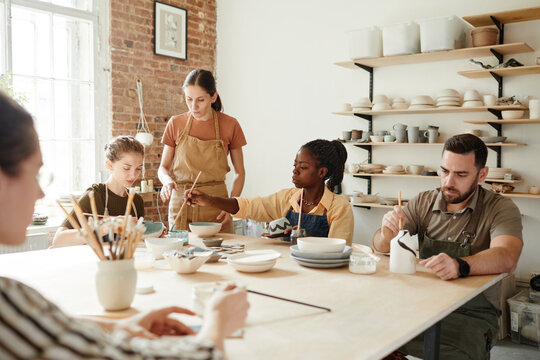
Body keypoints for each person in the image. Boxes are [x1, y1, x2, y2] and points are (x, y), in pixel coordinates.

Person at [0, 90, 249, 358]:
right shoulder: (94, 195)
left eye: (138, 169)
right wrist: (217, 322)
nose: (40, 193)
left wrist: (118, 326)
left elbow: (60, 330)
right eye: (34, 174)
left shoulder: (13, 294)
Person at [373, 134, 523, 360]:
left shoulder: (500, 208)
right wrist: (386, 234)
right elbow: (378, 247)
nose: (448, 182)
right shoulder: (423, 201)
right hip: (419, 303)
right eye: (444, 171)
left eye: (461, 174)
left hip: (472, 312)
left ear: (482, 174)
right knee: (371, 337)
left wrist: (460, 265)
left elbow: (507, 256)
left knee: (456, 352)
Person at [185, 139, 354, 245]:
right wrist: (210, 200)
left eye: (303, 167)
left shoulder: (339, 208)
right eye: (294, 165)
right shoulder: (288, 198)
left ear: (321, 173)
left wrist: (307, 240)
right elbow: (249, 206)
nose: (295, 171)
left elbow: (339, 251)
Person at [158, 69, 247, 233]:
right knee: (182, 255)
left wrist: (231, 206)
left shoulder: (230, 125)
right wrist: (166, 182)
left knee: (222, 255)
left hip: (218, 206)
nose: (194, 106)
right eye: (189, 99)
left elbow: (240, 173)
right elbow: (163, 167)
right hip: (181, 204)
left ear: (213, 97)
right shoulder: (175, 123)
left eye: (200, 100)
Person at [52, 136, 146, 248]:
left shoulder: (136, 201)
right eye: (126, 168)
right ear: (110, 165)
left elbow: (135, 243)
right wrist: (106, 226)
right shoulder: (94, 196)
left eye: (138, 169)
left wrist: (153, 237)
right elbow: (58, 240)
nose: (133, 175)